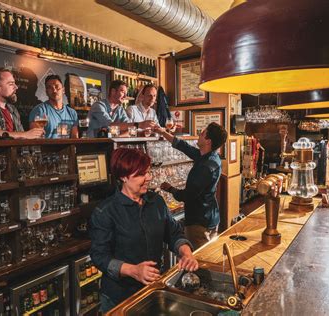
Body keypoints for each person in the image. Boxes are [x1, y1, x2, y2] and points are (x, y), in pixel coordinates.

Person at [89, 148, 199, 313]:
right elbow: (99, 256)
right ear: (124, 177)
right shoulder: (105, 211)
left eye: (148, 172)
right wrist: (133, 270)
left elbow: (174, 233)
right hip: (120, 297)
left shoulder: (156, 202)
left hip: (154, 289)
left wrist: (186, 253)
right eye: (141, 174)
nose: (149, 177)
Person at [158, 122, 228, 250]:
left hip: (199, 222)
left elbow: (187, 195)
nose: (198, 135)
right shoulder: (210, 156)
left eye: (202, 133)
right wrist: (163, 132)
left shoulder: (205, 167)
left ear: (208, 141)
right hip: (210, 216)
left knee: (199, 262)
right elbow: (183, 146)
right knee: (208, 256)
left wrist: (170, 188)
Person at [0, 67, 44, 140]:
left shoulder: (12, 109)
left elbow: (21, 137)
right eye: (11, 84)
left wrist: (33, 136)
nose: (16, 87)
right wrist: (26, 134)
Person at [87, 80, 156, 137]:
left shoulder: (120, 110)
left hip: (111, 145)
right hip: (94, 147)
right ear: (113, 91)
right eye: (122, 92)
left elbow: (130, 130)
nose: (125, 96)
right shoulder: (98, 106)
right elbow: (110, 125)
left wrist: (117, 137)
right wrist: (139, 124)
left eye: (126, 93)